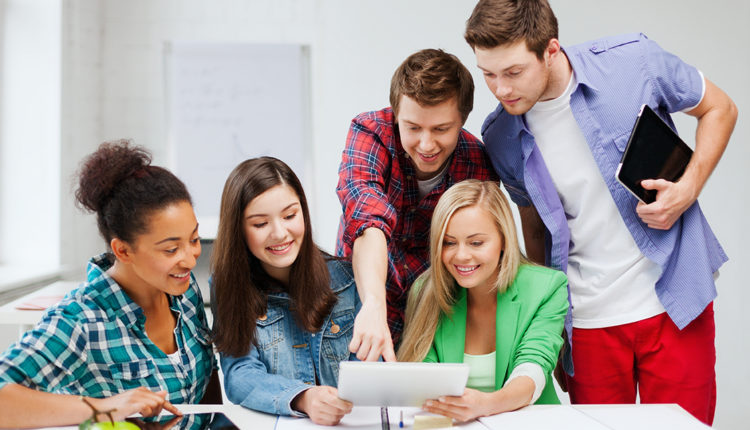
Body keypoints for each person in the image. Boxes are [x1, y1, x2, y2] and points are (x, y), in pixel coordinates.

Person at [464, 0, 738, 424]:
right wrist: (548, 324)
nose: (501, 89)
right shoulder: (500, 135)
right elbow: (533, 232)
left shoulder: (633, 61)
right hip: (588, 323)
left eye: (513, 72)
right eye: (489, 75)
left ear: (551, 50)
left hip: (674, 297)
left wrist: (687, 188)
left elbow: (720, 107)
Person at [0, 140, 216, 428]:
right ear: (123, 251)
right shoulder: (80, 318)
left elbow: (206, 393)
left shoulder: (184, 291)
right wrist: (104, 408)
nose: (190, 260)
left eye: (194, 240)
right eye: (170, 249)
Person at [336, 48, 497, 362]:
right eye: (412, 128)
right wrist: (373, 303)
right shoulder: (370, 132)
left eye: (441, 129)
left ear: (462, 120)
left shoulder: (477, 163)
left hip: (433, 312)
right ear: (396, 114)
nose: (426, 145)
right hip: (359, 302)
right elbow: (369, 220)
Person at [398, 180, 567, 421]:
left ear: (503, 240)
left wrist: (486, 404)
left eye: (476, 242)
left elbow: (533, 368)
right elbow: (424, 378)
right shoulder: (425, 291)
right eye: (449, 242)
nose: (462, 255)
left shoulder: (546, 287)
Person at [212, 157, 358, 426]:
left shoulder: (347, 278)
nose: (280, 233)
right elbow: (240, 374)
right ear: (238, 230)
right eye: (260, 224)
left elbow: (371, 368)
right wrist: (304, 398)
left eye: (290, 216)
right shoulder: (228, 286)